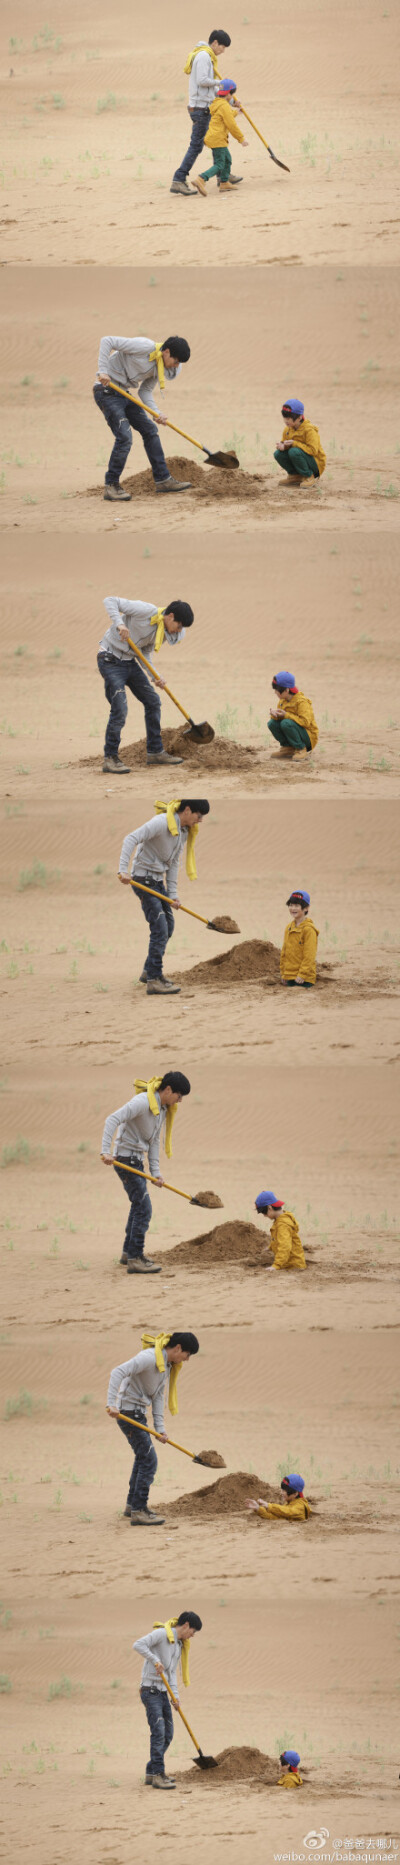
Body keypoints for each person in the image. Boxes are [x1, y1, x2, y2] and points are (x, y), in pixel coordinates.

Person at [118, 797, 210, 996]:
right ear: (187, 810)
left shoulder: (183, 831)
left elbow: (174, 862)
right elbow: (130, 838)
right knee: (159, 928)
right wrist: (123, 870)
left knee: (168, 926)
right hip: (142, 880)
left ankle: (148, 970)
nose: (200, 820)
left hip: (158, 883)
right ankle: (154, 980)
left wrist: (173, 894)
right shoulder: (160, 823)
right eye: (199, 815)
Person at [101, 1069, 191, 1271]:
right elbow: (112, 1119)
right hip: (125, 1160)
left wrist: (156, 1173)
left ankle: (127, 1253)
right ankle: (135, 1259)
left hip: (136, 1162)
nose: (180, 1101)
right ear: (168, 1089)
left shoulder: (162, 1109)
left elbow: (154, 1142)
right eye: (179, 1095)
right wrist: (105, 1151)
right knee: (144, 1208)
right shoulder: (142, 1102)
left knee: (138, 1206)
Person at [107, 1331, 200, 1525]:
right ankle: (139, 1511)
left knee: (143, 1457)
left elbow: (158, 1396)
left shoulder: (165, 1365)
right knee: (149, 1461)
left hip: (138, 1414)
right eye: (187, 1354)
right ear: (178, 1348)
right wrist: (112, 1404)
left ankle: (132, 1506)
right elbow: (118, 1371)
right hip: (127, 1413)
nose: (187, 1359)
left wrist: (160, 1429)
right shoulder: (149, 1357)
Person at [98, 595, 195, 774]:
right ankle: (110, 758)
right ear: (171, 616)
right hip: (110, 659)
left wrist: (155, 676)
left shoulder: (161, 633)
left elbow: (144, 653)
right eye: (179, 626)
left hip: (129, 663)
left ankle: (155, 752)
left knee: (153, 701)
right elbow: (110, 601)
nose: (177, 631)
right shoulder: (144, 610)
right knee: (120, 707)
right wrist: (120, 624)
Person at [93, 334, 192, 501]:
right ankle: (111, 486)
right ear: (166, 352)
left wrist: (156, 413)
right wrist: (103, 371)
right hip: (107, 391)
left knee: (150, 429)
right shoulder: (143, 347)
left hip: (124, 393)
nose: (176, 366)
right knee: (124, 436)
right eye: (176, 361)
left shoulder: (158, 367)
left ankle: (163, 480)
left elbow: (144, 391)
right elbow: (106, 341)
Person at [133, 1610, 203, 1787]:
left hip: (164, 1693)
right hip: (150, 1691)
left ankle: (151, 1771)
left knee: (168, 1734)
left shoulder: (178, 1645)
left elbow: (171, 1673)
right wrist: (155, 1660)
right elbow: (138, 1644)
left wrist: (176, 1697)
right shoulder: (162, 1633)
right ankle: (158, 1775)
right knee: (159, 1733)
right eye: (193, 1631)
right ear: (186, 1625)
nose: (192, 1636)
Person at [171, 30, 232, 195]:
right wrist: (221, 83)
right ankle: (178, 179)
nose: (223, 51)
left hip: (205, 106)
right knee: (197, 146)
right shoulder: (204, 56)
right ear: (215, 43)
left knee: (217, 138)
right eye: (222, 47)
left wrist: (230, 100)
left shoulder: (208, 56)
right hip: (200, 109)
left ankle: (223, 175)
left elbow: (209, 87)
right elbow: (202, 81)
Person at [195, 79, 247, 195]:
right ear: (228, 94)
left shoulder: (218, 103)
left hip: (214, 137)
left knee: (227, 160)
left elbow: (225, 115)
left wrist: (236, 112)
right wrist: (241, 139)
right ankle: (202, 178)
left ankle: (224, 183)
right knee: (219, 164)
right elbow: (231, 125)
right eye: (232, 94)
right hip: (217, 138)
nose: (233, 96)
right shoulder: (224, 106)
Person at [267, 671, 319, 762]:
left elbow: (305, 722)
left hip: (308, 738)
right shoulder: (283, 700)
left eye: (277, 690)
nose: (275, 692)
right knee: (272, 723)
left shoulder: (301, 702)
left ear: (287, 690)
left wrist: (286, 715)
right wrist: (275, 715)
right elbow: (280, 719)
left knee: (286, 723)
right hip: (293, 731)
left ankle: (301, 749)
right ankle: (288, 748)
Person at [274, 398, 326, 487]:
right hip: (301, 458)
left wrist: (294, 443)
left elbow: (313, 451)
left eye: (289, 418)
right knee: (278, 454)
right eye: (285, 417)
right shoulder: (288, 429)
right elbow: (286, 445)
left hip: (315, 464)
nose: (286, 421)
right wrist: (283, 446)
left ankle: (310, 476)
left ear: (300, 417)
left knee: (293, 451)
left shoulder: (309, 430)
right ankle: (295, 476)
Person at [254, 1191, 307, 1270]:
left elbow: (285, 1246)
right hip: (289, 1263)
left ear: (270, 1208)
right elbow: (278, 1239)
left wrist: (276, 1266)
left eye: (264, 1212)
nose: (264, 1216)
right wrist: (270, 1247)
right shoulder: (280, 1220)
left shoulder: (283, 1225)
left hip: (293, 1266)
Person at [280, 890, 319, 988]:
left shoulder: (309, 930)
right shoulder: (289, 927)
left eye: (297, 906)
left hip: (304, 979)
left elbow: (309, 955)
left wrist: (302, 974)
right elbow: (284, 951)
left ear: (306, 908)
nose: (293, 908)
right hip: (290, 976)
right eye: (291, 905)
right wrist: (284, 973)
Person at [246, 1474, 312, 1521]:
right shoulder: (291, 1503)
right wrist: (258, 1509)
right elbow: (276, 1517)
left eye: (284, 1491)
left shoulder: (300, 1507)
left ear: (295, 1494)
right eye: (282, 1490)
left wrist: (268, 1506)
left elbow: (287, 1512)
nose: (281, 1493)